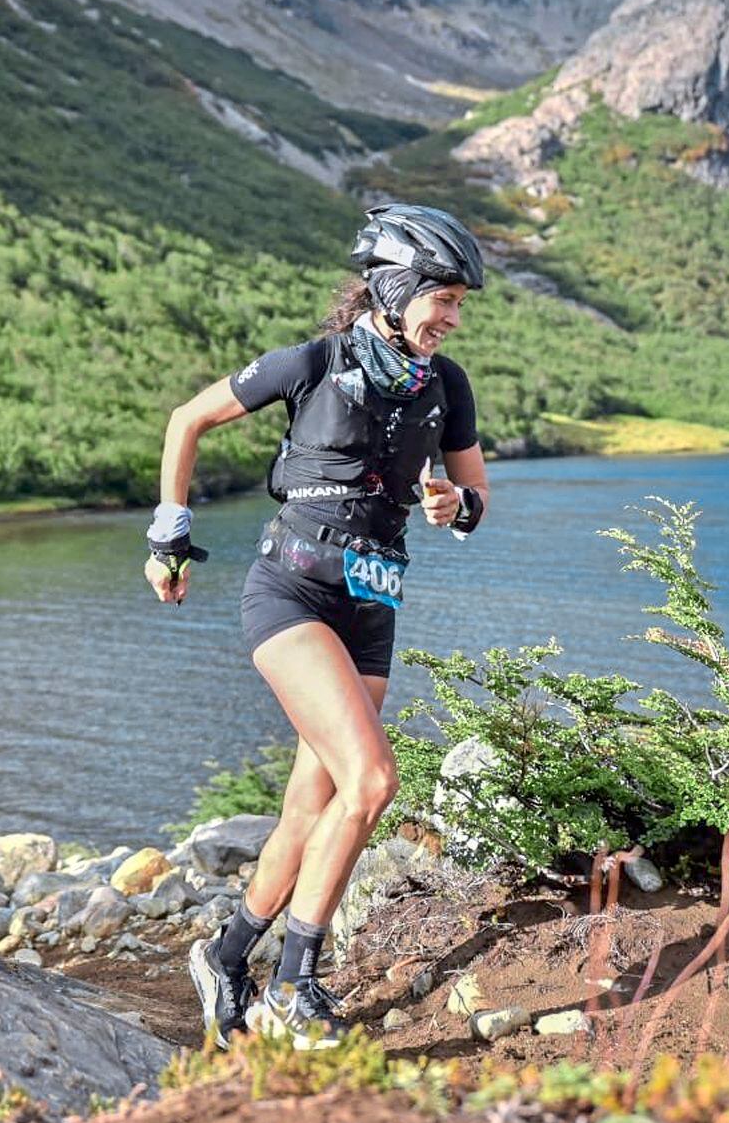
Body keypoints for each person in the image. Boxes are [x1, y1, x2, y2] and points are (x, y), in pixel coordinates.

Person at [144, 204, 491, 1049]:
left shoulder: (446, 387)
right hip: (290, 593)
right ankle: (295, 984)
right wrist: (170, 533)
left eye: (457, 305)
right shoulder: (313, 362)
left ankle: (226, 958)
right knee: (372, 781)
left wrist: (455, 504)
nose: (449, 318)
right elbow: (186, 420)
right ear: (394, 285)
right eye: (440, 298)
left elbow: (474, 500)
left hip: (374, 602)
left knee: (314, 804)